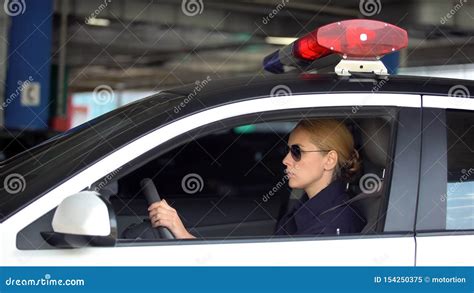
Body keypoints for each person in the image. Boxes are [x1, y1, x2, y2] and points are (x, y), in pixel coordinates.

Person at [148, 119, 365, 239]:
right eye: (288, 150)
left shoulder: (330, 227)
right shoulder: (311, 207)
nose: (286, 160)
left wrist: (184, 235)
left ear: (329, 160)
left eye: (297, 152)